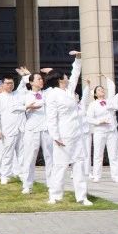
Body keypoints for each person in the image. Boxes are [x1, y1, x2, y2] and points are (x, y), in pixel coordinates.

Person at [44, 52, 90, 206]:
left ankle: (82, 197)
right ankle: (55, 195)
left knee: (79, 164)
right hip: (63, 135)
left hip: (77, 134)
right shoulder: (52, 95)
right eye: (65, 76)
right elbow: (51, 117)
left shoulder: (69, 91)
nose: (67, 77)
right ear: (59, 80)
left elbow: (75, 74)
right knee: (60, 166)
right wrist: (56, 137)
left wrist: (78, 59)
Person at [19, 67, 53, 195]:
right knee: (29, 158)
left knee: (50, 157)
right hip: (32, 129)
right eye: (38, 79)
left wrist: (51, 72)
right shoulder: (25, 94)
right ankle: (27, 185)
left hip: (46, 129)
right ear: (31, 82)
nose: (41, 81)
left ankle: (51, 184)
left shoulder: (47, 93)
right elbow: (16, 108)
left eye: (41, 79)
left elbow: (57, 80)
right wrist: (27, 107)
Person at [0, 70, 27, 185]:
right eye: (7, 83)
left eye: (11, 83)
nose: (10, 85)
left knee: (22, 154)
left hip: (21, 129)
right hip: (7, 130)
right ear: (3, 84)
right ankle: (5, 175)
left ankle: (23, 175)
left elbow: (24, 84)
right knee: (8, 154)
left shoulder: (18, 94)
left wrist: (25, 76)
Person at [85, 76, 118, 183]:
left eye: (102, 89)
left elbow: (112, 89)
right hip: (99, 131)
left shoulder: (110, 101)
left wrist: (107, 79)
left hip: (111, 131)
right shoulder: (93, 104)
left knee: (114, 154)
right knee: (98, 155)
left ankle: (115, 175)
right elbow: (89, 118)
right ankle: (97, 175)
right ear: (95, 94)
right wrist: (99, 121)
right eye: (99, 90)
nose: (102, 90)